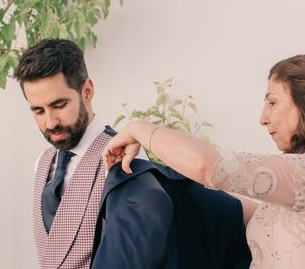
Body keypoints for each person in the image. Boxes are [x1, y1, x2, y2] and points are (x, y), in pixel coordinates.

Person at [103, 54, 305, 268]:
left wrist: (138, 128)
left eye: (272, 102)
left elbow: (209, 165)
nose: (263, 118)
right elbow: (258, 213)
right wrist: (175, 182)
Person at [14, 38, 251, 269]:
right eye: (38, 110)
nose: (50, 122)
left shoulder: (127, 161)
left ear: (87, 91)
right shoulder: (43, 163)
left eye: (59, 105)